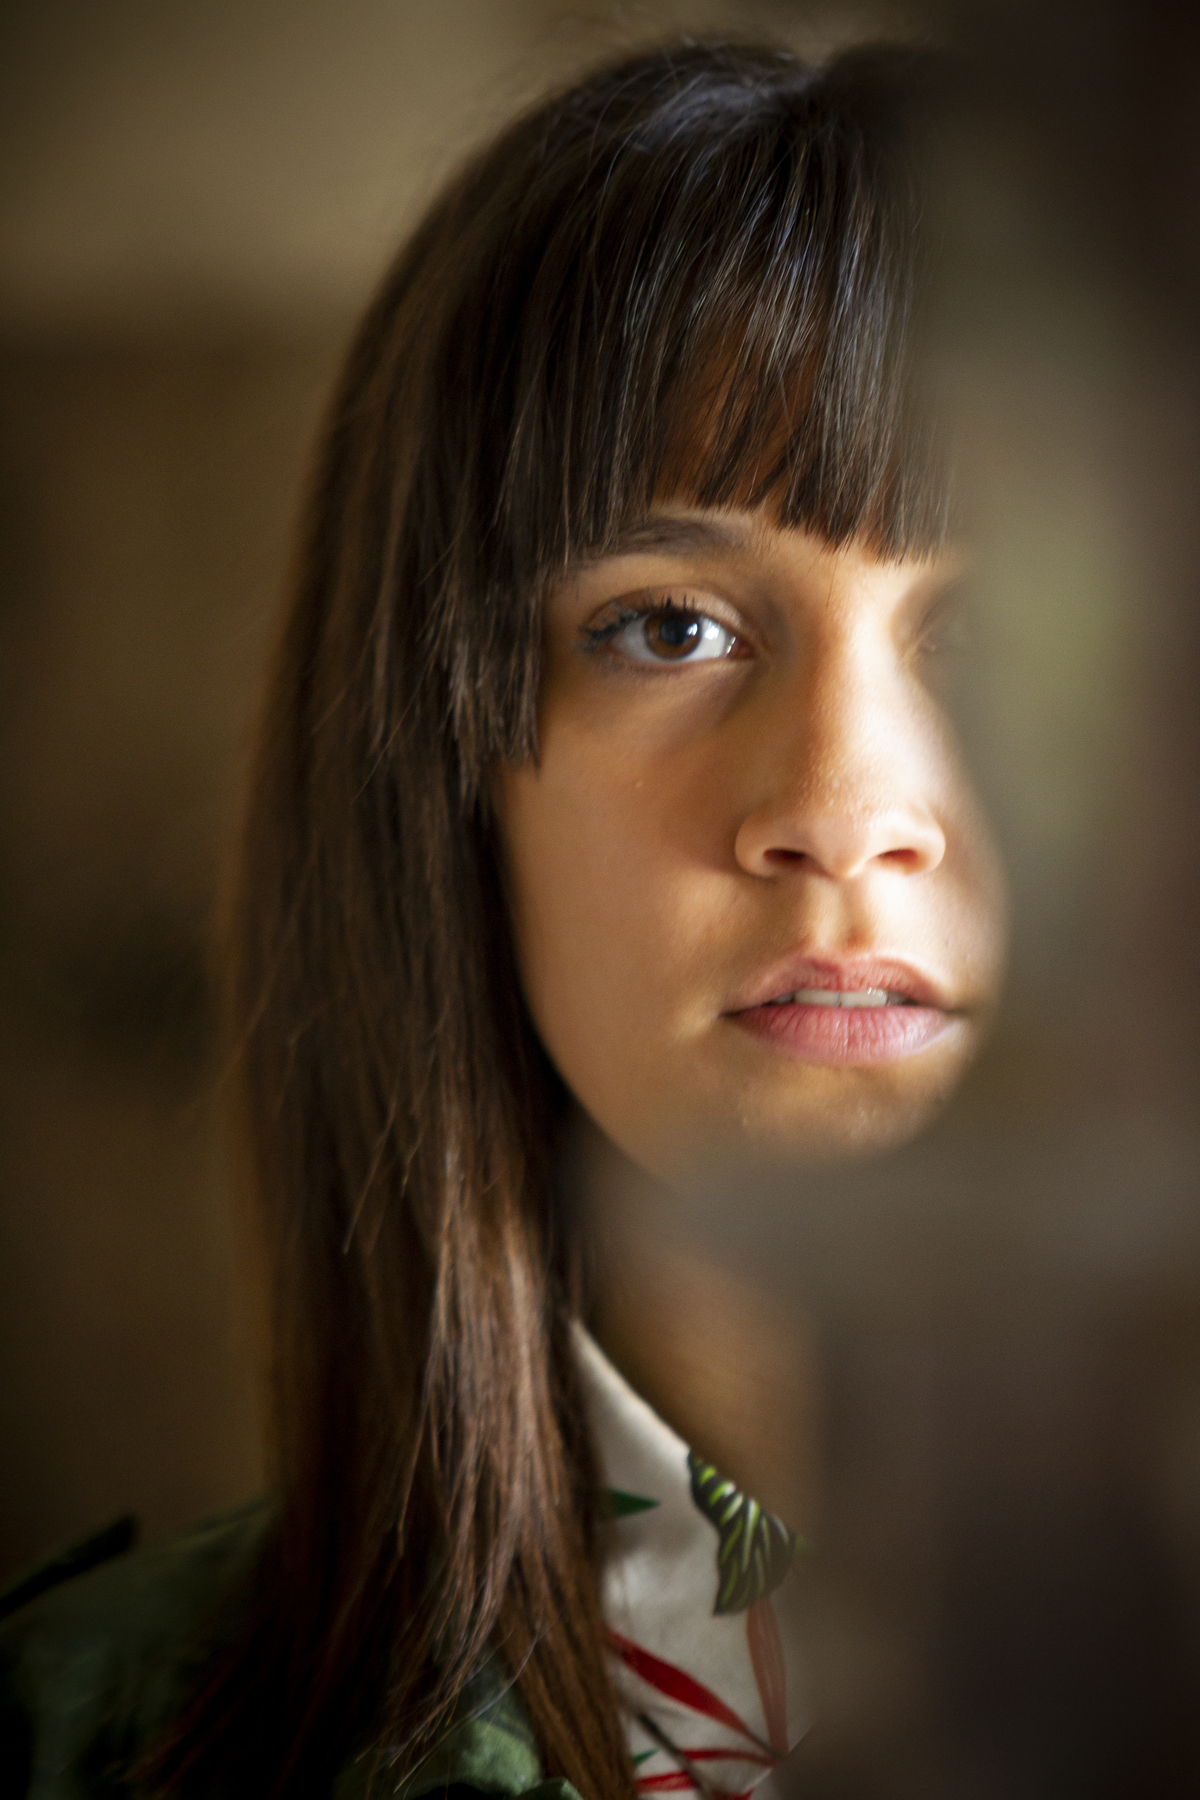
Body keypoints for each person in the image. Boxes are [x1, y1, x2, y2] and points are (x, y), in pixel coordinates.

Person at [0, 37, 1006, 1800]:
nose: (845, 808)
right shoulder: (75, 1750)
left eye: (1006, 640)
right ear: (449, 775)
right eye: (672, 627)